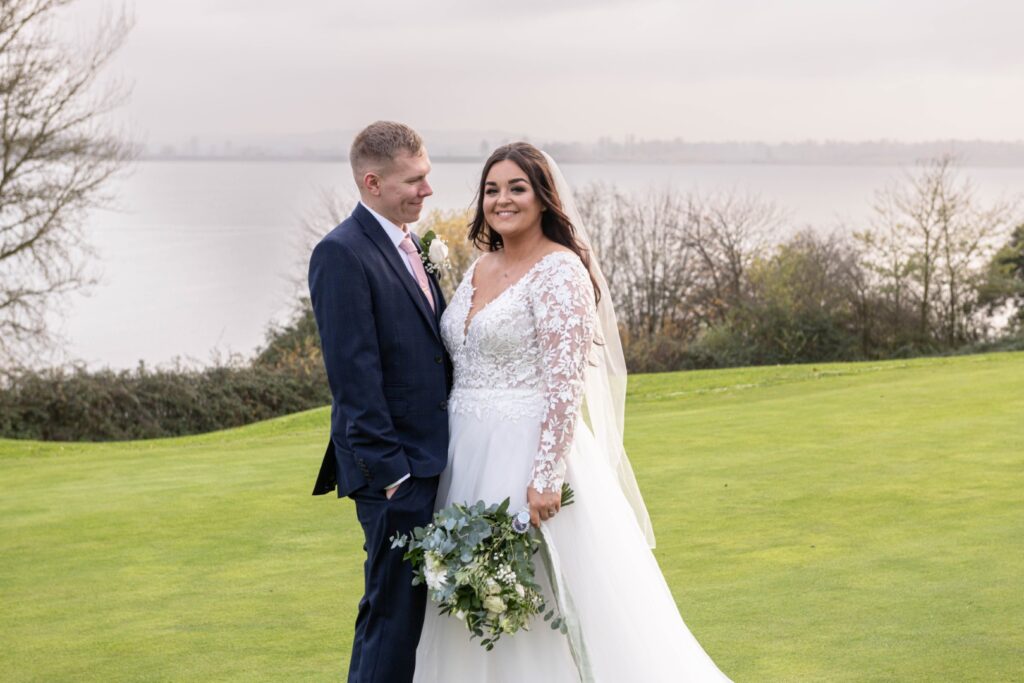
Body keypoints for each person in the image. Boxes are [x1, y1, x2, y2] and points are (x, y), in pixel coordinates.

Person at [413, 142, 732, 681]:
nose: (502, 200)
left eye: (517, 188)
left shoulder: (560, 272)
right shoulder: (480, 266)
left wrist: (544, 477)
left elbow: (565, 386)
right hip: (463, 453)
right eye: (492, 190)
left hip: (527, 454)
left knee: (535, 595)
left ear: (543, 198)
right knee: (469, 592)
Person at [308, 121, 451, 683]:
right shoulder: (341, 254)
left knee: (403, 610)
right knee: (391, 614)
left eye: (427, 176)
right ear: (372, 182)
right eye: (414, 180)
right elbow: (354, 378)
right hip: (395, 472)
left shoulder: (412, 243)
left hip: (431, 460)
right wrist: (393, 476)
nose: (427, 190)